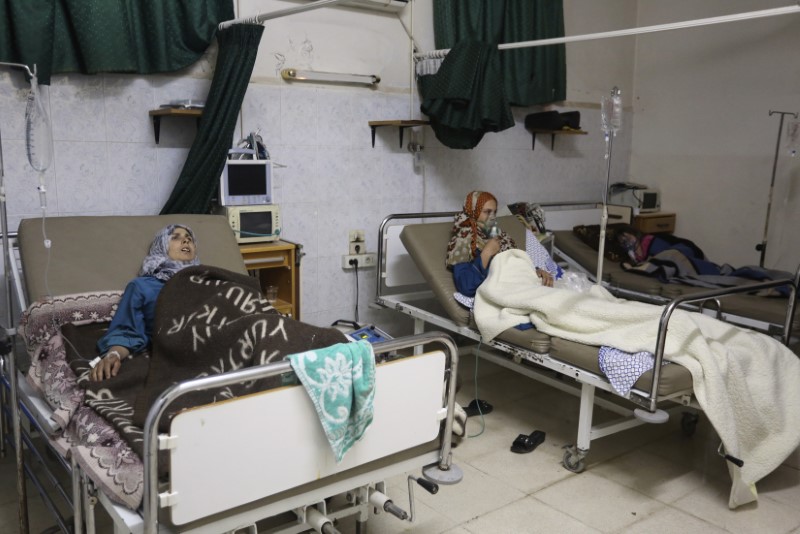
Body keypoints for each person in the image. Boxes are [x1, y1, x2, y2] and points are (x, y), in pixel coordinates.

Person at [90, 224, 200, 381]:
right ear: (161, 245)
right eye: (176, 237)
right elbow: (127, 332)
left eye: (189, 239)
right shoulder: (142, 287)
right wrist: (113, 355)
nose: (185, 241)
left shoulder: (206, 279)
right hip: (184, 345)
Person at [445, 190, 553, 298]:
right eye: (487, 212)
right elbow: (467, 286)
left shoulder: (500, 236)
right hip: (506, 294)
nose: (492, 217)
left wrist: (535, 271)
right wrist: (486, 254)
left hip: (524, 286)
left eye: (494, 212)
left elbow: (516, 263)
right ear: (473, 212)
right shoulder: (463, 242)